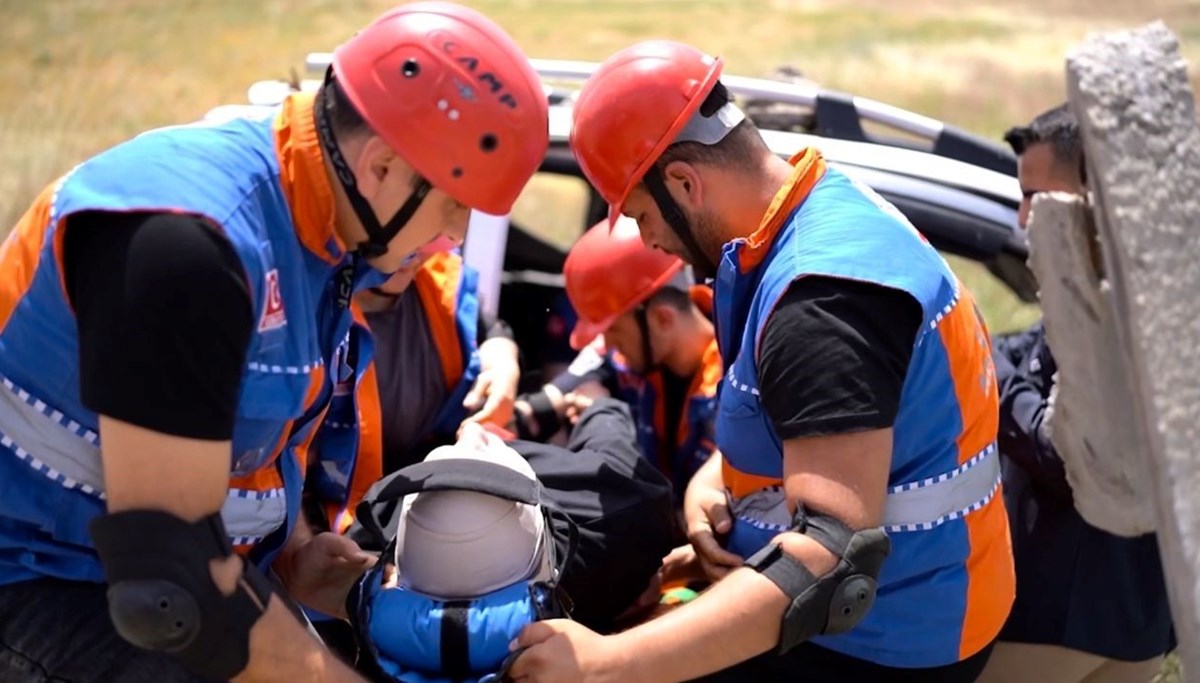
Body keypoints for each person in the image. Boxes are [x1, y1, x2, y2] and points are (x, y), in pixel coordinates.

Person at [0, 3, 548, 681]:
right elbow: (167, 585)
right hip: (40, 586)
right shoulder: (189, 243)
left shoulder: (326, 232)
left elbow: (250, 442)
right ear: (381, 167)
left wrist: (294, 550)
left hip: (157, 582)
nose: (456, 237)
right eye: (454, 205)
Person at [509, 39, 1015, 682]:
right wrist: (716, 486)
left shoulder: (819, 302)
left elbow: (831, 556)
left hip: (878, 645)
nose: (648, 241)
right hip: (901, 612)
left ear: (684, 183)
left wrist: (608, 662)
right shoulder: (810, 213)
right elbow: (822, 428)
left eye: (639, 216)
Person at [976, 104, 1175, 683]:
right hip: (1128, 616)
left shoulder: (1125, 313)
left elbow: (1070, 456)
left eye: (1038, 197)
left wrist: (980, 362)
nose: (1022, 217)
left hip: (1066, 616)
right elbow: (1035, 355)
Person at [535, 216, 721, 508]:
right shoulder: (633, 355)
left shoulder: (737, 384)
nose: (607, 344)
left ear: (662, 319)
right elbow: (570, 381)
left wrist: (607, 420)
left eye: (612, 330)